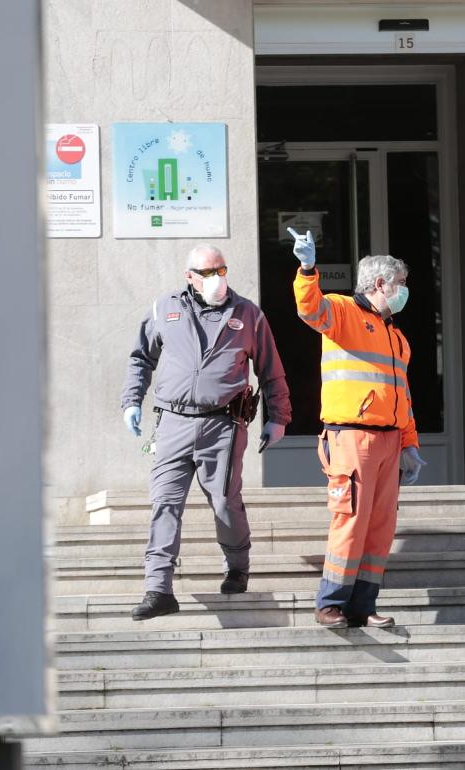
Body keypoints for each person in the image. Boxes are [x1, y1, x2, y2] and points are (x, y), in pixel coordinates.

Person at [120, 244, 291, 621]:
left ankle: (237, 566)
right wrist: (132, 400)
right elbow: (140, 358)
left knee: (225, 503)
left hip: (223, 425)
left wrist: (278, 417)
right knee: (164, 503)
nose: (218, 278)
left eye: (222, 270)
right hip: (173, 423)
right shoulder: (165, 307)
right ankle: (158, 588)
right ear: (190, 276)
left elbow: (271, 370)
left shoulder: (248, 314)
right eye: (209, 272)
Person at [288, 227, 426, 629]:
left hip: (387, 440)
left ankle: (362, 606)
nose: (404, 291)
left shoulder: (396, 336)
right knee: (351, 520)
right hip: (352, 437)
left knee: (380, 529)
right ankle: (330, 603)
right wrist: (308, 268)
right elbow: (309, 309)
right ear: (380, 284)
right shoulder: (345, 311)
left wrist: (410, 443)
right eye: (400, 284)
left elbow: (402, 396)